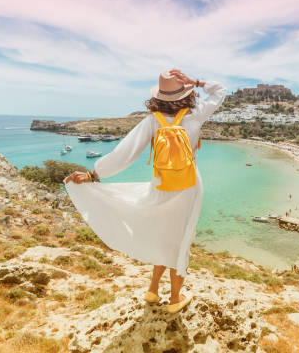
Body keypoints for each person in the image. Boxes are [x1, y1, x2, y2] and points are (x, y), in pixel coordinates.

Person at [64, 68, 226, 314]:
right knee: (180, 240)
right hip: (188, 186)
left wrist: (93, 174)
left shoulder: (152, 121)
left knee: (163, 237)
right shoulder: (195, 115)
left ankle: (152, 290)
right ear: (186, 93)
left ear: (159, 97)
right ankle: (174, 299)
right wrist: (195, 81)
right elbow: (220, 91)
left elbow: (123, 154)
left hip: (160, 185)